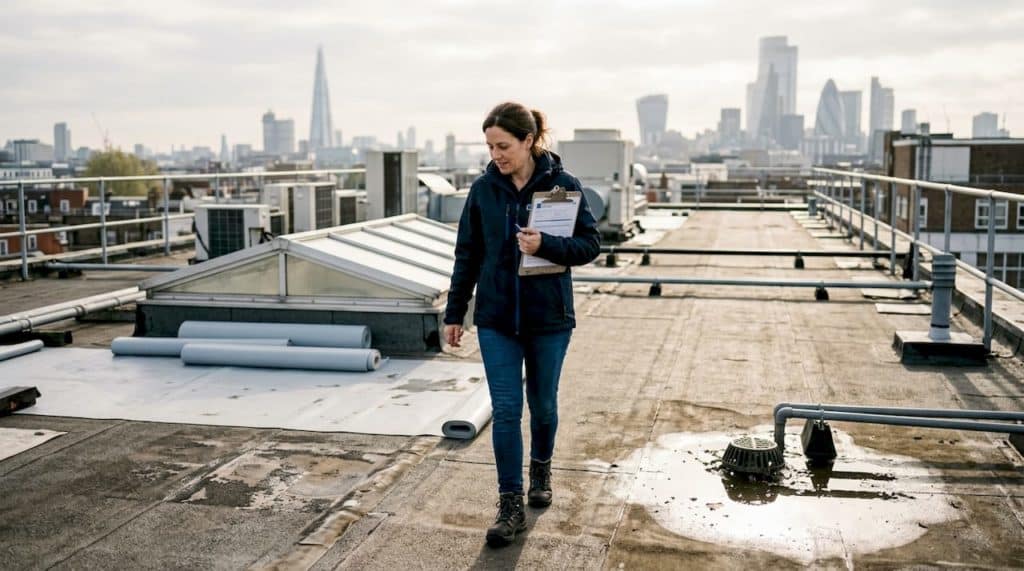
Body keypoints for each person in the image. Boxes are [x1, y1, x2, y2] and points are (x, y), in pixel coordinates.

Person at [443, 102, 601, 547]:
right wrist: (455, 313)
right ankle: (509, 504)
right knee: (507, 410)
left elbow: (591, 244)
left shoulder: (564, 186)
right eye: (490, 146)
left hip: (548, 318)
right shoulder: (483, 191)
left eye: (504, 145)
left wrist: (546, 244)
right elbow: (467, 255)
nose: (496, 154)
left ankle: (541, 471)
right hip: (496, 319)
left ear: (529, 141)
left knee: (544, 406)